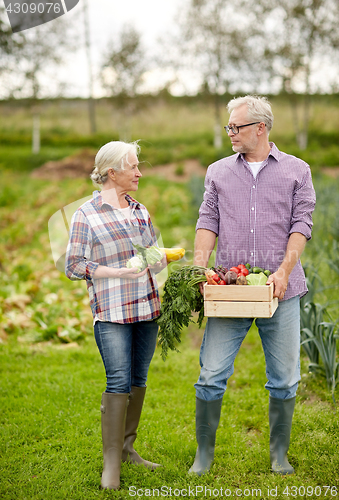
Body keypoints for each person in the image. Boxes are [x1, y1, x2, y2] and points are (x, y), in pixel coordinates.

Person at [190, 95, 316, 476]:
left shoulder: (298, 170)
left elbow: (302, 224)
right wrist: (199, 267)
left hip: (282, 291)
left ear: (260, 128)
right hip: (232, 287)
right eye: (229, 126)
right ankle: (204, 455)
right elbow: (207, 219)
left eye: (236, 127)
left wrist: (283, 270)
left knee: (285, 379)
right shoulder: (218, 171)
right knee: (211, 374)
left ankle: (279, 455)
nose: (230, 132)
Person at [65, 141, 166, 490]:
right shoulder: (86, 215)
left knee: (139, 377)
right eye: (134, 166)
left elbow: (154, 252)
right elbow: (73, 266)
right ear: (112, 173)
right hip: (111, 310)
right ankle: (111, 466)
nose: (140, 172)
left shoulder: (140, 211)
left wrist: (162, 257)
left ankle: (127, 449)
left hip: (147, 307)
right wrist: (116, 272)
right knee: (118, 380)